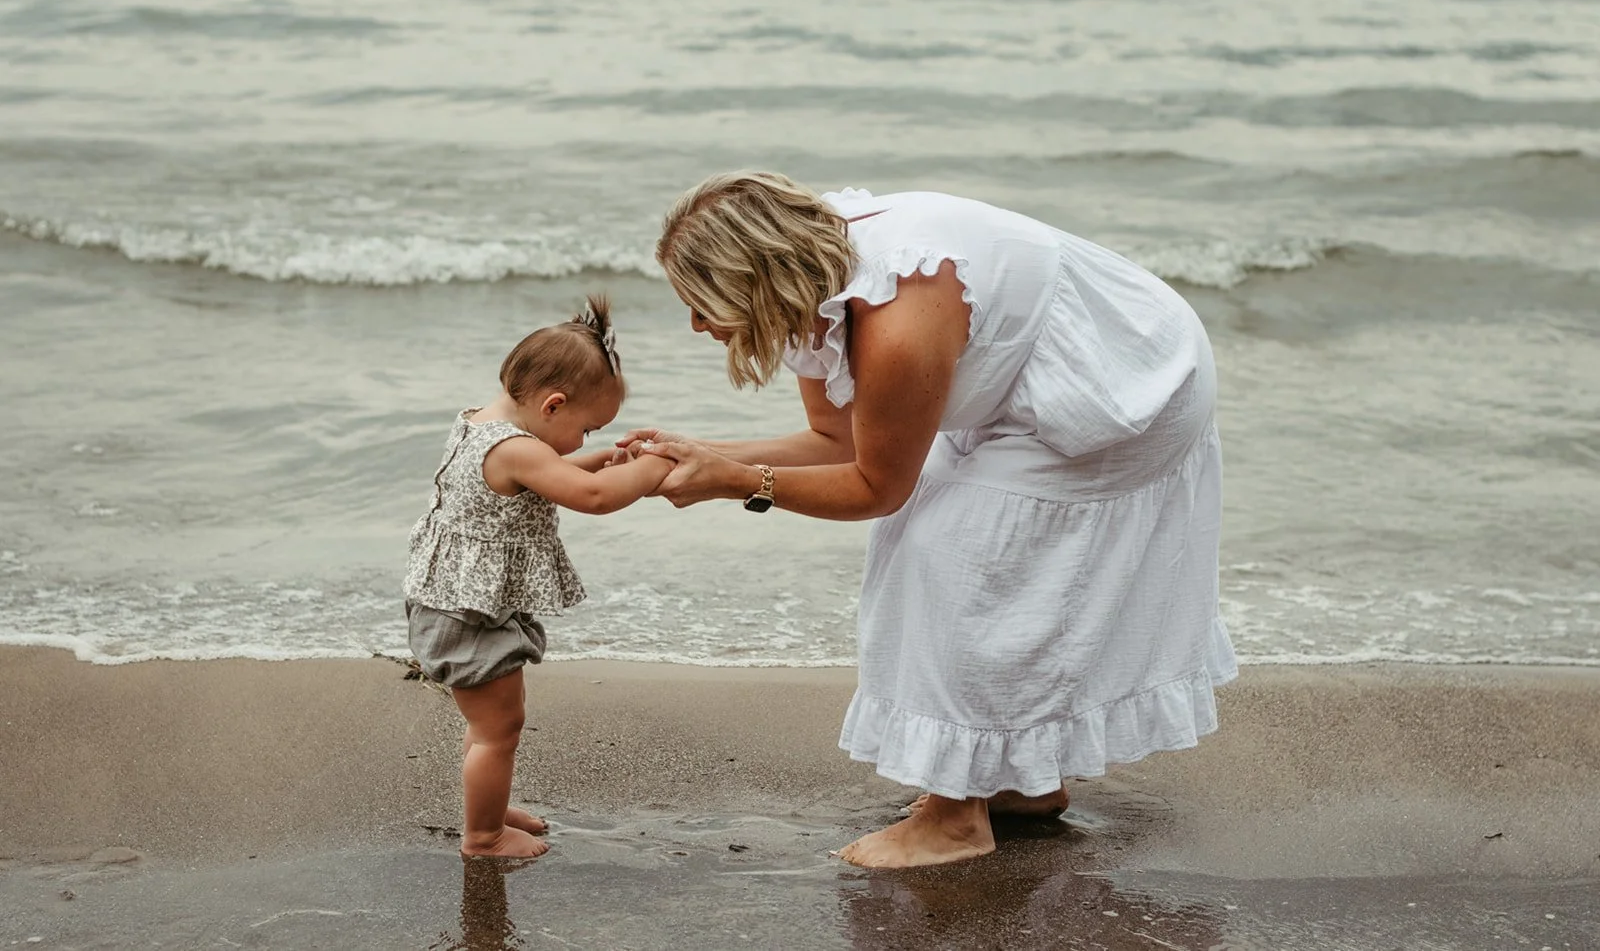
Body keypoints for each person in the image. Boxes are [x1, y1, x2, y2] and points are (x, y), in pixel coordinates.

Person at [621, 173, 1238, 868]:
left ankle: (953, 816)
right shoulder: (818, 290)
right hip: (1040, 381)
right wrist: (701, 451)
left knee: (941, 551)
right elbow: (837, 442)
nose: (698, 325)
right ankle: (1020, 784)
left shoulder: (896, 312)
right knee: (938, 534)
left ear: (756, 278)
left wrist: (733, 482)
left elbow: (876, 486)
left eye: (701, 304)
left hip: (1128, 382)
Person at [404, 296, 673, 859]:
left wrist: (595, 457)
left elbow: (543, 478)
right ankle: (482, 836)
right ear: (552, 406)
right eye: (587, 429)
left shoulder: (484, 425)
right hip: (467, 617)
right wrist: (655, 469)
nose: (583, 441)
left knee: (491, 726)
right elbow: (593, 500)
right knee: (499, 729)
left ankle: (491, 804)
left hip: (458, 603)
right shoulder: (518, 449)